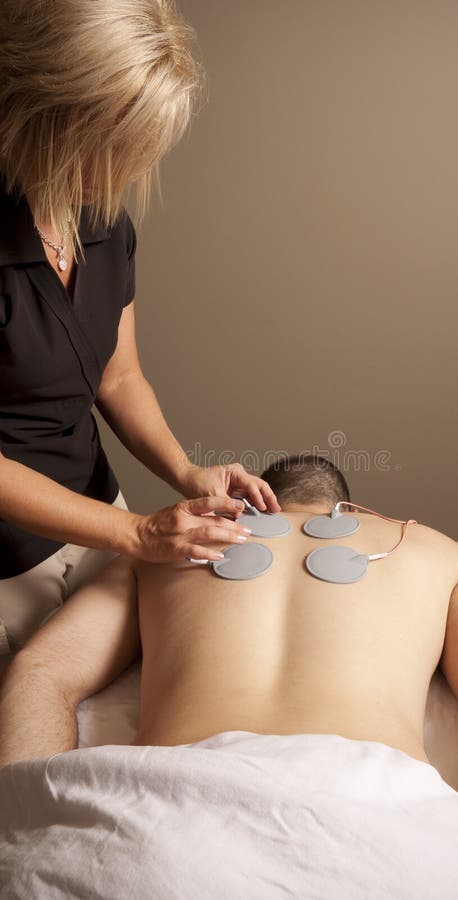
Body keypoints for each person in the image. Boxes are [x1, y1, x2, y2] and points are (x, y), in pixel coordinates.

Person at [0, 455, 458, 865]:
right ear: (354, 509)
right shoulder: (430, 549)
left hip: (172, 820)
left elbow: (41, 671)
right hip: (381, 817)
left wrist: (21, 837)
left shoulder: (158, 547)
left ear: (245, 506)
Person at [0, 0, 279, 655]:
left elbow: (119, 376)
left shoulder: (99, 217)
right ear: (48, 113)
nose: (120, 173)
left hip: (96, 507)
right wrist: (137, 536)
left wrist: (187, 473)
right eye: (110, 146)